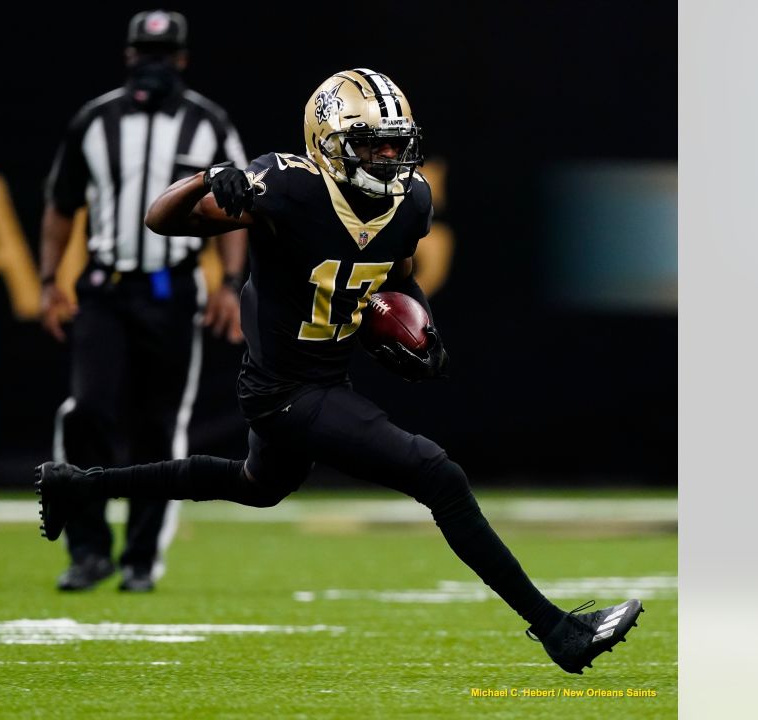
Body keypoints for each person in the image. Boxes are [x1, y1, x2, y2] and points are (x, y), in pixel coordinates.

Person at [34, 68, 642, 673]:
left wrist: (423, 326)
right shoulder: (287, 188)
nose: (387, 156)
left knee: (256, 485)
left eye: (395, 143)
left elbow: (401, 276)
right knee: (439, 475)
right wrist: (204, 181)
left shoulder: (411, 200)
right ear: (327, 144)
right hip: (282, 391)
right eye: (371, 144)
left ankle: (78, 485)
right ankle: (558, 630)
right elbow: (161, 220)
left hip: (319, 380)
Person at [37, 9, 248, 592]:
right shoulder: (95, 119)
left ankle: (139, 559)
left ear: (182, 59)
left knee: (156, 427)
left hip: (171, 289)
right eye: (144, 53)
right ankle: (88, 551)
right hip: (104, 289)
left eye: (165, 54)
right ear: (129, 55)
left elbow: (237, 211)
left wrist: (230, 285)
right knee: (87, 411)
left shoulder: (210, 124)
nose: (154, 64)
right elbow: (61, 203)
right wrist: (50, 278)